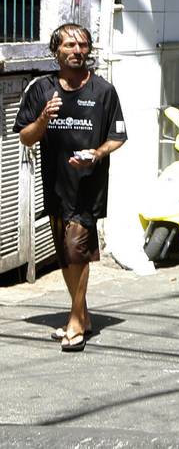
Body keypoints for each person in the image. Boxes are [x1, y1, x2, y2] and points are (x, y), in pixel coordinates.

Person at [13, 23, 127, 352]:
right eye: (70, 46)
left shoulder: (103, 91)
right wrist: (44, 119)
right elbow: (25, 137)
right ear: (56, 51)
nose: (78, 51)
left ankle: (76, 322)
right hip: (55, 185)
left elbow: (117, 136)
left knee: (77, 251)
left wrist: (97, 154)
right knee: (65, 255)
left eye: (83, 46)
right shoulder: (40, 90)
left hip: (88, 186)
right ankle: (84, 315)